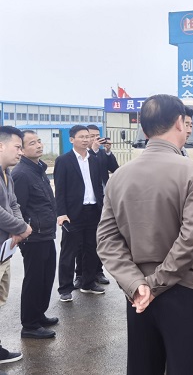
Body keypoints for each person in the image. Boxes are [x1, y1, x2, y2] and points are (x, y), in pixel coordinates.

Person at [97, 94, 193, 375]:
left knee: (143, 366)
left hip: (137, 293)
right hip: (183, 286)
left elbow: (107, 240)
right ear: (179, 122)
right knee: (186, 366)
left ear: (144, 128)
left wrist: (138, 284)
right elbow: (191, 237)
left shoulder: (119, 176)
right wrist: (155, 283)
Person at [12, 131, 59, 339]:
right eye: (32, 143)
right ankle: (30, 325)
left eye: (39, 141)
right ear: (22, 150)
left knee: (46, 277)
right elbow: (18, 209)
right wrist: (23, 233)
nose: (39, 145)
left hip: (46, 233)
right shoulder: (21, 174)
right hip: (33, 237)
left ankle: (39, 314)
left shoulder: (38, 169)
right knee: (34, 279)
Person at [54, 125, 105, 302]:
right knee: (69, 251)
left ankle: (88, 283)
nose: (85, 140)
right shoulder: (64, 160)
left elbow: (98, 186)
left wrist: (102, 207)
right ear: (71, 140)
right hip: (73, 213)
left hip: (93, 211)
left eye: (87, 136)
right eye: (81, 137)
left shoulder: (94, 159)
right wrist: (61, 213)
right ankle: (65, 288)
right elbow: (60, 190)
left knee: (92, 249)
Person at [0, 126, 32, 364]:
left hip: (5, 251)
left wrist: (20, 228)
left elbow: (13, 204)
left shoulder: (6, 174)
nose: (21, 152)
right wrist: (22, 228)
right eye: (17, 147)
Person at [73, 124, 118, 288]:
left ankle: (97, 271)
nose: (93, 139)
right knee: (81, 242)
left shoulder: (101, 153)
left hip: (102, 201)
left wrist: (107, 152)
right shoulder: (82, 155)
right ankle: (80, 274)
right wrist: (93, 150)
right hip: (84, 204)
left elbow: (115, 168)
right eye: (90, 136)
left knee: (98, 239)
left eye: (96, 136)